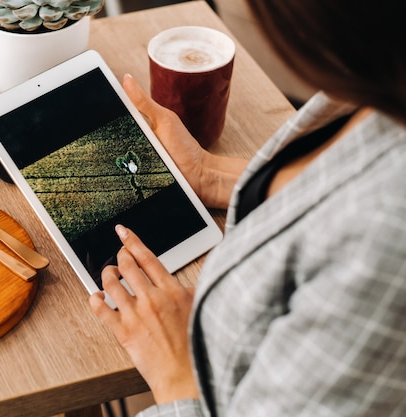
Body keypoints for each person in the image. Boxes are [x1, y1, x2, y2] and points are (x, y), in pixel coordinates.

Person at [89, 1, 406, 416]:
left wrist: (177, 373)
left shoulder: (387, 238)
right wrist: (208, 174)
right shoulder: (379, 84)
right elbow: (341, 180)